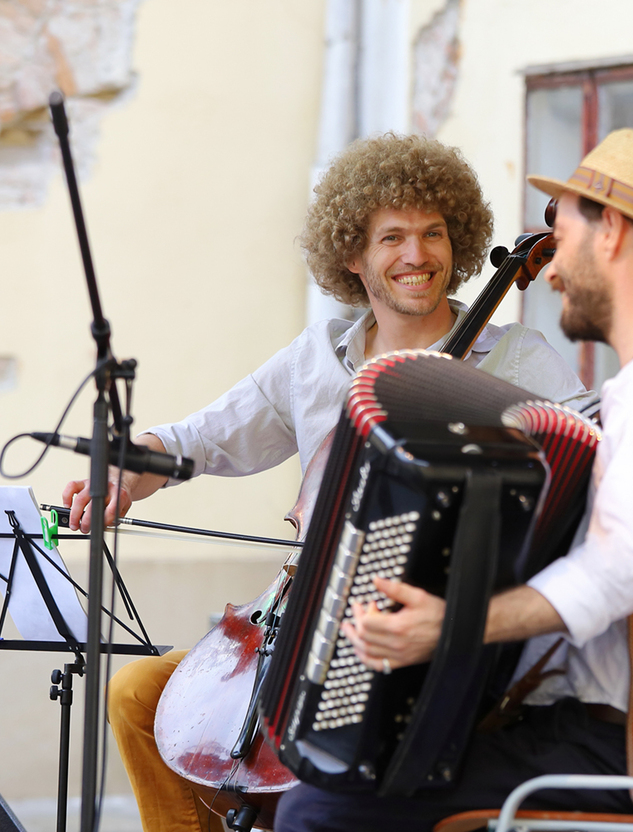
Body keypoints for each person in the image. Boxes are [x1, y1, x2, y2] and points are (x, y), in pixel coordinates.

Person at [274, 128, 633, 832]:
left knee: (320, 806)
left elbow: (619, 571)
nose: (551, 269)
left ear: (613, 231)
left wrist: (451, 627)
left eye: (561, 238)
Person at [62, 132, 590, 832]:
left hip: (426, 639)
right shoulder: (316, 357)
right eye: (392, 237)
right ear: (352, 254)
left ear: (458, 242)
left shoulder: (518, 360)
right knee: (136, 695)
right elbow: (203, 437)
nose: (417, 256)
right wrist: (133, 473)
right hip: (298, 620)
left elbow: (589, 468)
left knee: (314, 765)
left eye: (433, 234)